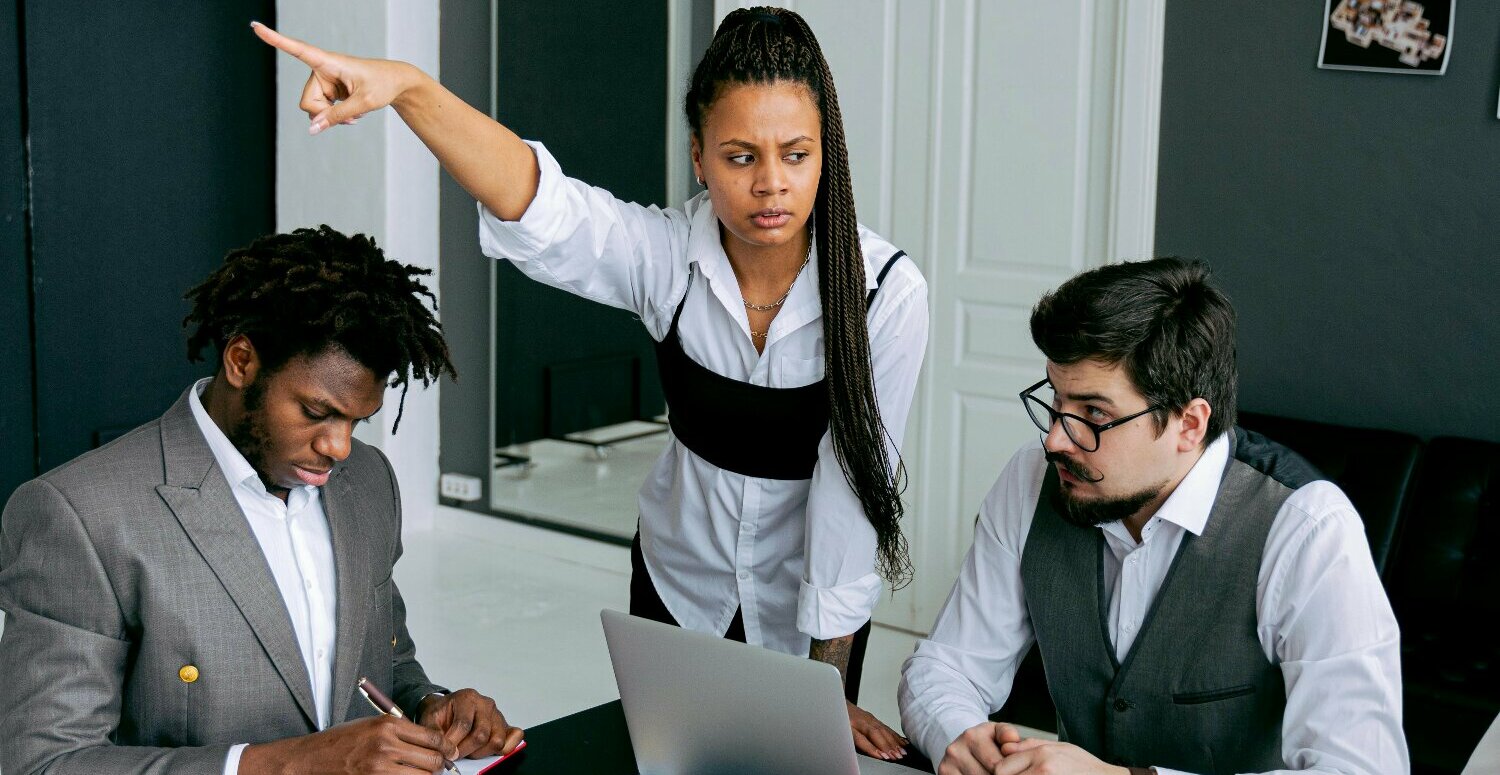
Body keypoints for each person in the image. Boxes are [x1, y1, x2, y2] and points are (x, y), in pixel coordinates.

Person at [253, 5, 928, 760]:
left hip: (812, 615)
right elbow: (545, 207)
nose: (771, 185)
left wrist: (825, 691)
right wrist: (409, 88)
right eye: (740, 157)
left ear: (825, 155)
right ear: (699, 157)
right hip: (679, 588)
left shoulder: (885, 295)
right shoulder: (668, 260)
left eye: (795, 154)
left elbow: (849, 504)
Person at [0, 226, 524, 775]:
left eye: (357, 421)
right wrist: (285, 764)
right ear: (242, 361)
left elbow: (384, 666)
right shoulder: (79, 515)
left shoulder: (369, 481)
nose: (339, 447)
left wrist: (430, 707)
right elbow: (45, 762)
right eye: (317, 412)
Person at [898, 258, 1407, 774]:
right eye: (1056, 399)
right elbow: (945, 667)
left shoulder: (1307, 527)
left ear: (1189, 424)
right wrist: (960, 737)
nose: (1054, 439)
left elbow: (1364, 769)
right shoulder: (1031, 481)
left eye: (1094, 414)